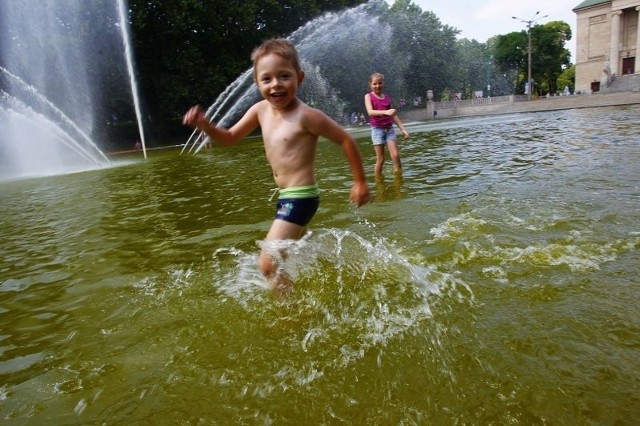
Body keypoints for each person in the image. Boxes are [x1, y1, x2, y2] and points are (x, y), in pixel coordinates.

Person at [182, 38, 370, 295]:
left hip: (301, 196)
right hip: (284, 197)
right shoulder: (259, 110)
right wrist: (205, 126)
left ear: (300, 78)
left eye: (284, 76)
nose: (276, 84)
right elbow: (229, 138)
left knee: (268, 263)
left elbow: (346, 140)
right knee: (298, 252)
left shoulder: (307, 116)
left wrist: (360, 182)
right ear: (256, 83)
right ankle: (348, 271)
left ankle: (291, 316)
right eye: (267, 79)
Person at [364, 72, 409, 176]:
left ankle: (399, 181)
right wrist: (385, 112)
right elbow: (370, 112)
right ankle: (378, 181)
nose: (377, 86)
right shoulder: (368, 96)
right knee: (381, 159)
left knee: (396, 156)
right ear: (370, 84)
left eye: (380, 83)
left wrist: (403, 129)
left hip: (389, 129)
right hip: (377, 130)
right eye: (375, 84)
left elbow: (394, 115)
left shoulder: (387, 98)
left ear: (383, 83)